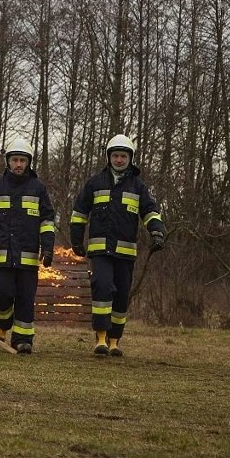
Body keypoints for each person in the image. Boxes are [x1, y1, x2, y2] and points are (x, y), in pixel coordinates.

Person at [70, 134, 165, 356]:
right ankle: (100, 338)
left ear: (130, 158)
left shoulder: (138, 187)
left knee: (121, 295)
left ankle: (115, 341)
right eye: (115, 156)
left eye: (123, 156)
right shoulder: (95, 183)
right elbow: (79, 213)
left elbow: (150, 212)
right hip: (100, 251)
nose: (119, 160)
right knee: (102, 287)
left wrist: (157, 232)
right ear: (109, 157)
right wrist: (76, 240)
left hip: (125, 253)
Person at [0, 138, 56, 355]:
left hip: (28, 257)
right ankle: (3, 318)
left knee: (25, 298)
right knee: (2, 292)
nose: (18, 164)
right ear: (8, 162)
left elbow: (47, 221)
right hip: (1, 256)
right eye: (14, 160)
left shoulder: (38, 189)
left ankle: (23, 339)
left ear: (29, 163)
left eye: (22, 160)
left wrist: (48, 249)